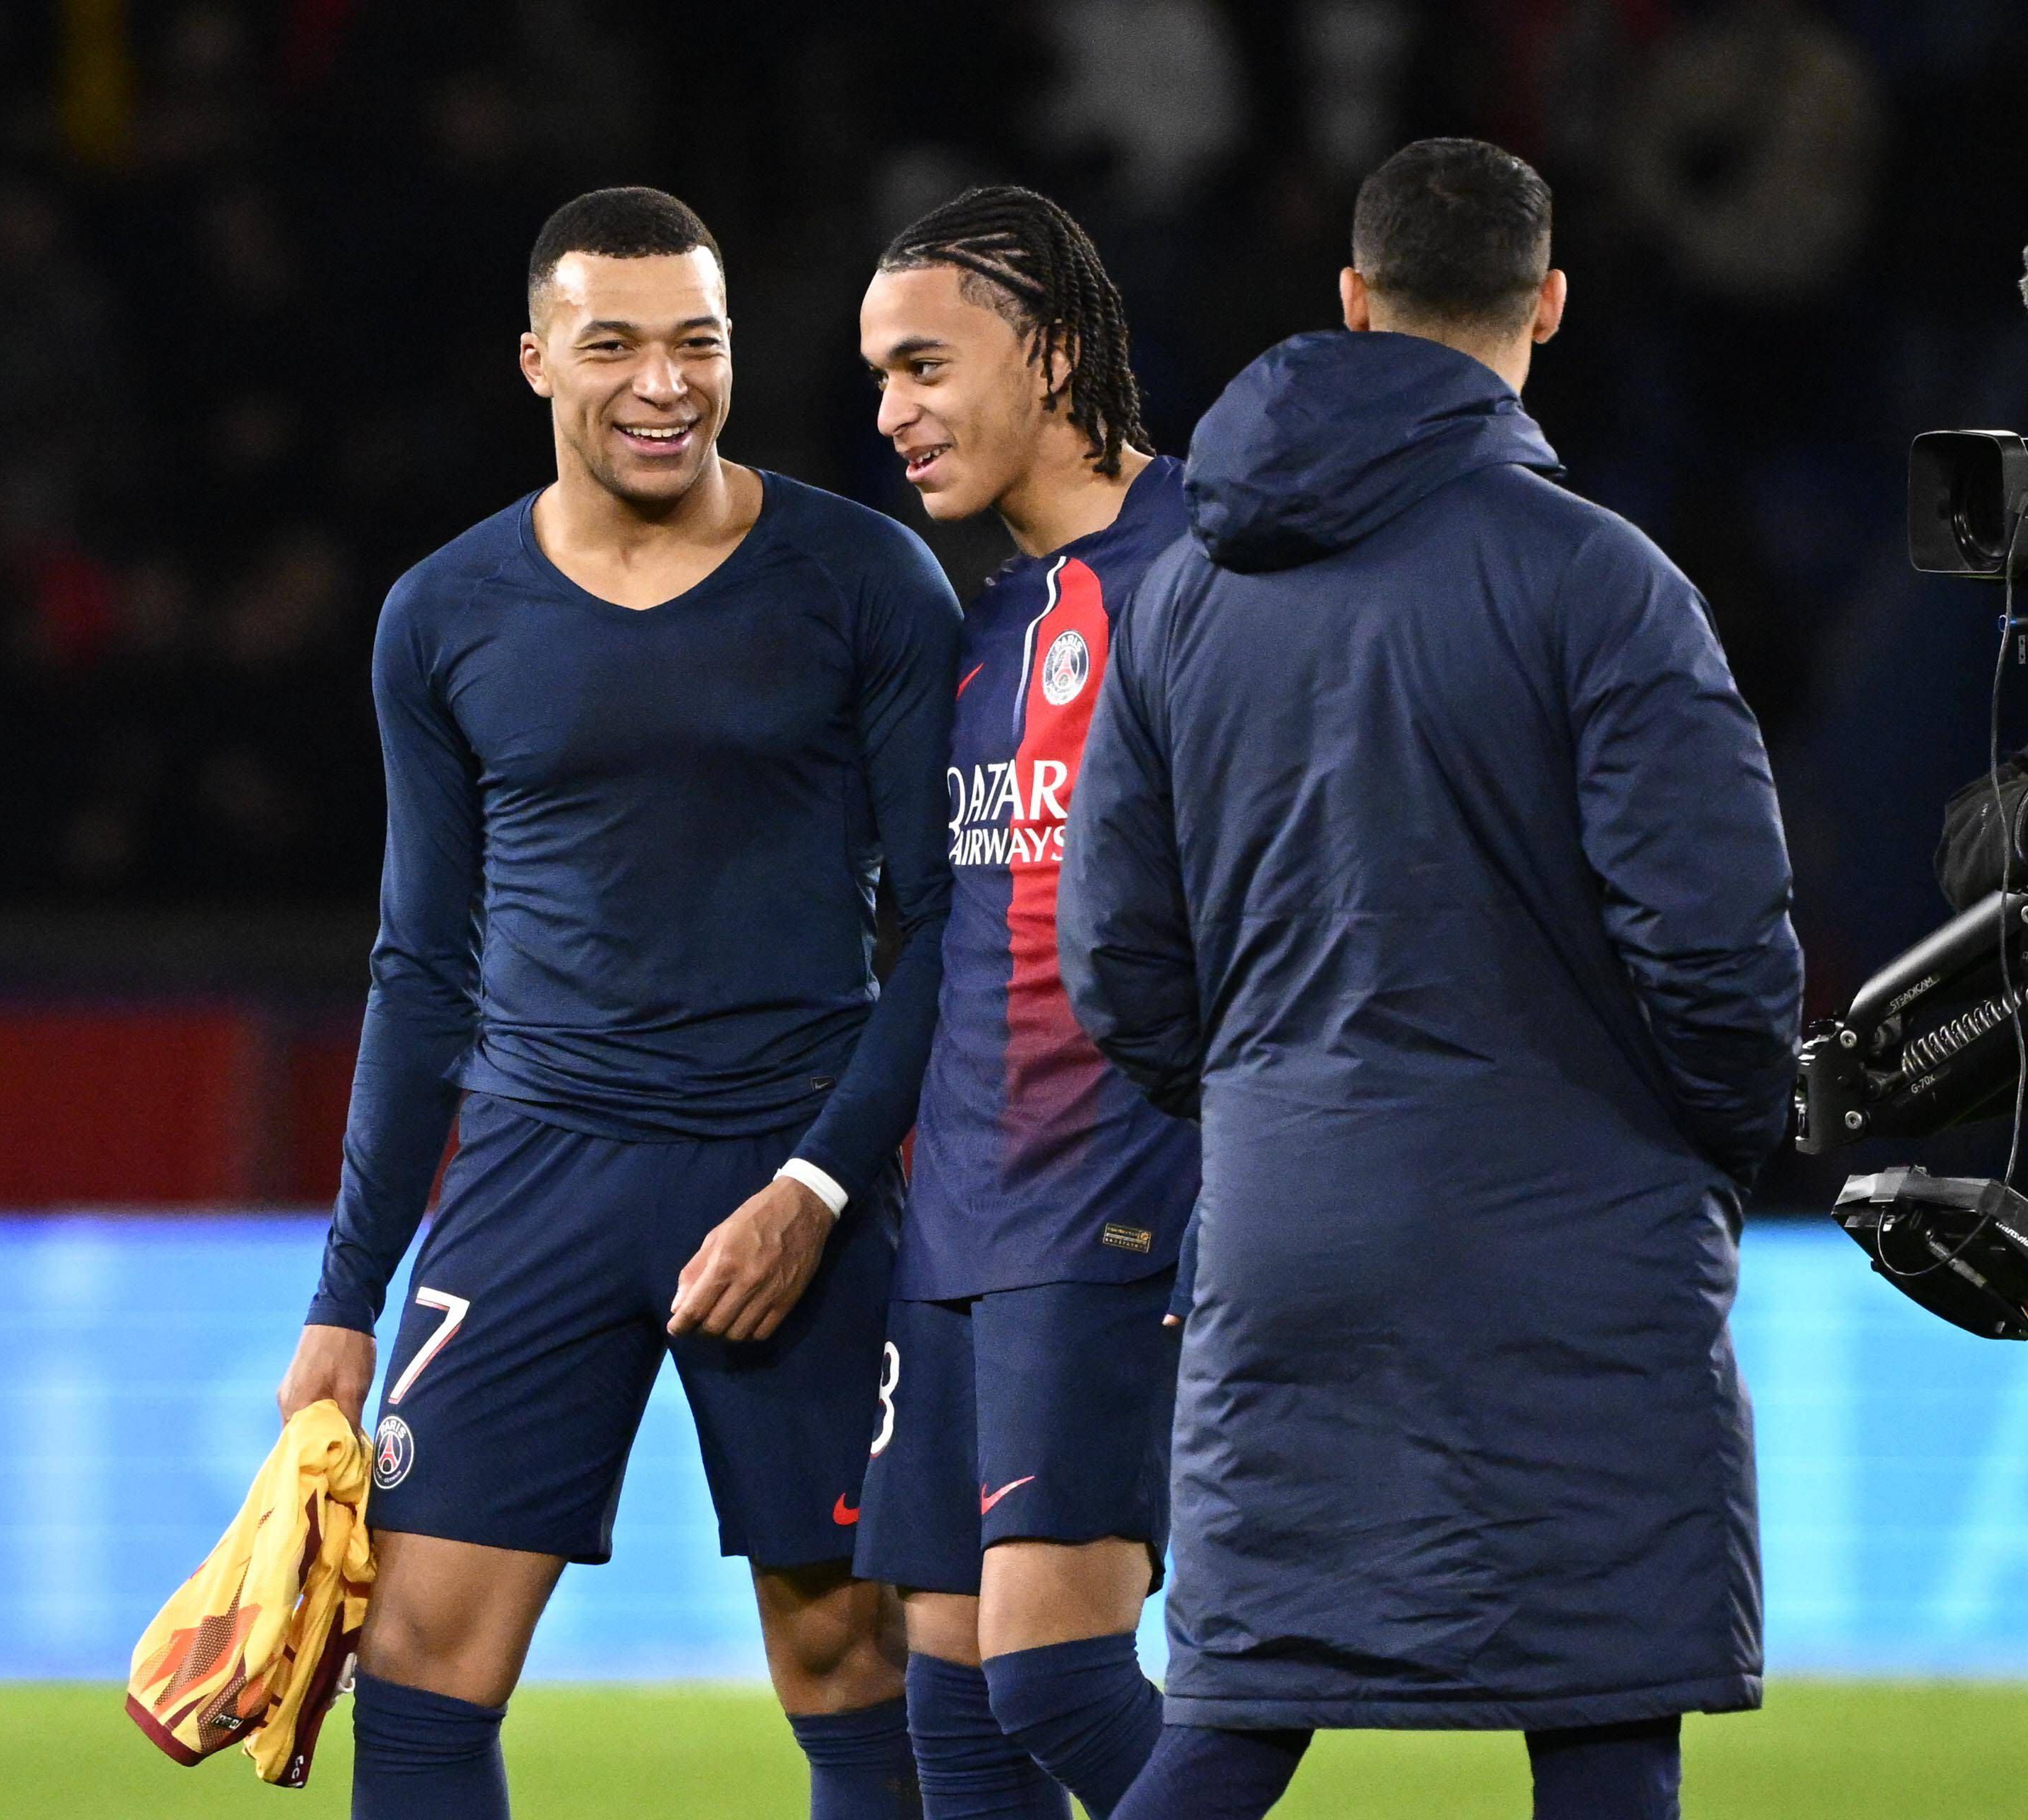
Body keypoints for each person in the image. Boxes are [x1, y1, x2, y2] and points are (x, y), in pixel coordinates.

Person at [1058, 138, 1803, 1820]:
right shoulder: (1606, 585)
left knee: (1233, 1714)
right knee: (1606, 1716)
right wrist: (1707, 1137)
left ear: (1351, 297)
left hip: (1287, 1234)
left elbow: (1115, 957)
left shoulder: (1181, 596)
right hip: (1577, 1250)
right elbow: (1719, 950)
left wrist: (1267, 1101)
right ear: (1548, 302)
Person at [272, 186, 960, 1820]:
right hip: (536, 1172)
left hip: (799, 1165)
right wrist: (346, 1294)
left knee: (852, 1664)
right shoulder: (442, 615)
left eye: (697, 343)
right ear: (536, 361)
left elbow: (948, 924)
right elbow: (420, 963)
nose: (664, 384)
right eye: (616, 346)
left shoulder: (868, 580)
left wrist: (816, 1185)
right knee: (420, 1661)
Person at [851, 186, 1197, 1820]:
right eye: (876, 379)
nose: (893, 413)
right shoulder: (983, 621)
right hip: (956, 1222)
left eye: (925, 365)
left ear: (1052, 353)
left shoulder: (1210, 574)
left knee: (1056, 1672)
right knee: (957, 1716)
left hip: (1123, 1206)